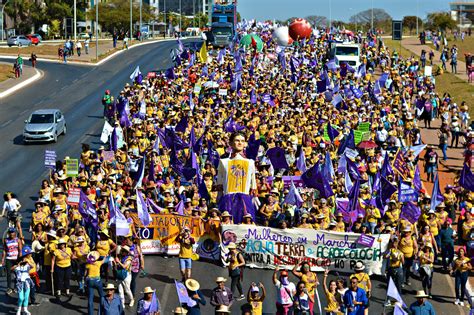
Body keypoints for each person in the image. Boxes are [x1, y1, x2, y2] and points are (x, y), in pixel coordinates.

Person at [12, 246, 35, 315]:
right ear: (26, 254)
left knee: (26, 297)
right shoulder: (18, 262)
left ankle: (25, 309)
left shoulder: (29, 262)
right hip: (20, 283)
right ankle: (18, 310)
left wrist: (27, 261)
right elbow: (12, 269)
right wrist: (18, 264)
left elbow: (33, 266)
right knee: (21, 297)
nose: (30, 254)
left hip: (27, 282)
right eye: (29, 253)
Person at [2, 227, 23, 295]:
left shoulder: (18, 240)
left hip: (16, 259)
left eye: (13, 232)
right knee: (8, 274)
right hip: (9, 259)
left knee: (17, 274)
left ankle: (16, 287)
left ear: (15, 233)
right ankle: (9, 288)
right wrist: (2, 260)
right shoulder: (6, 240)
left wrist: (20, 260)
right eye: (10, 232)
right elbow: (4, 250)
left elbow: (20, 251)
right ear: (8, 233)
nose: (12, 234)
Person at [85, 251, 105, 315]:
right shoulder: (98, 263)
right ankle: (102, 310)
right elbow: (104, 260)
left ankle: (90, 313)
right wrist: (105, 256)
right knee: (102, 296)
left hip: (90, 281)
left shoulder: (88, 264)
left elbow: (85, 273)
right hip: (97, 281)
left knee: (90, 298)